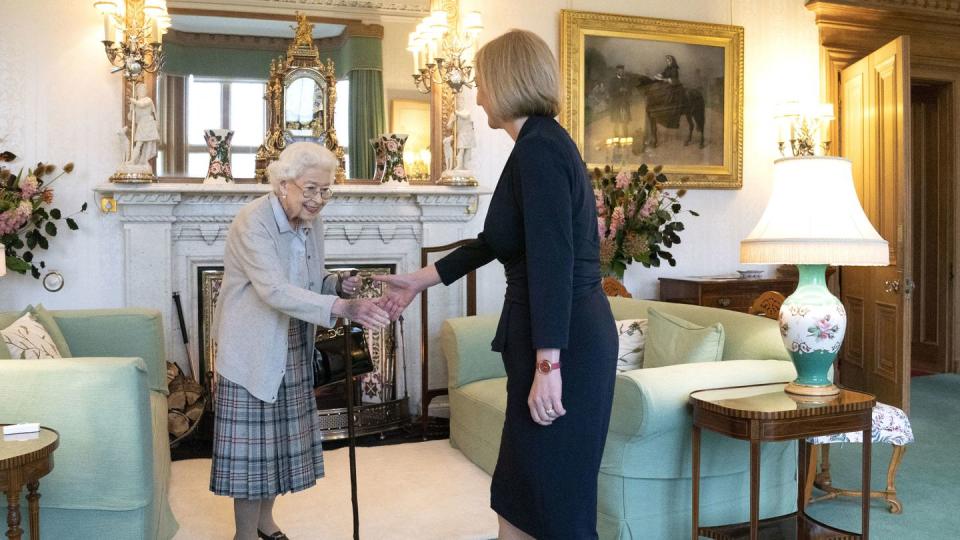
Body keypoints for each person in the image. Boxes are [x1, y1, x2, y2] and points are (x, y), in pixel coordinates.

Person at [376, 30, 618, 540]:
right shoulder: (535, 145)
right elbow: (495, 240)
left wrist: (548, 363)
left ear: (508, 81)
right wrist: (419, 280)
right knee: (518, 492)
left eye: (483, 81)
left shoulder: (540, 150)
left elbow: (553, 262)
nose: (479, 93)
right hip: (551, 336)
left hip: (565, 343)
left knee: (555, 503)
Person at [209, 142, 389, 540]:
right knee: (253, 455)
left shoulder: (311, 223)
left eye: (326, 190)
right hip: (253, 346)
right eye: (310, 189)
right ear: (283, 184)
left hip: (292, 341)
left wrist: (336, 283)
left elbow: (306, 283)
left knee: (278, 446)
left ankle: (265, 523)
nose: (318, 199)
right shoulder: (252, 221)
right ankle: (244, 535)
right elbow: (272, 290)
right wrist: (342, 306)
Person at [128, 82, 159, 165]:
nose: (142, 91)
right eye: (140, 90)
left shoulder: (148, 100)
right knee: (138, 143)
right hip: (141, 124)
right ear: (137, 92)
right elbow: (131, 118)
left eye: (143, 90)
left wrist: (134, 101)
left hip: (149, 123)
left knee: (149, 143)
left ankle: (145, 161)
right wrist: (131, 110)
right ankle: (132, 161)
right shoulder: (135, 103)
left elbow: (142, 105)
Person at [609, 64, 633, 137]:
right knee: (616, 122)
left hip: (624, 103)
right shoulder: (612, 80)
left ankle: (625, 137)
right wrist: (619, 91)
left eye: (622, 70)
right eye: (619, 70)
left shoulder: (626, 80)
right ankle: (616, 138)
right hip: (616, 104)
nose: (621, 72)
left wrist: (627, 91)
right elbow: (610, 93)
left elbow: (630, 92)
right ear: (616, 71)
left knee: (625, 122)